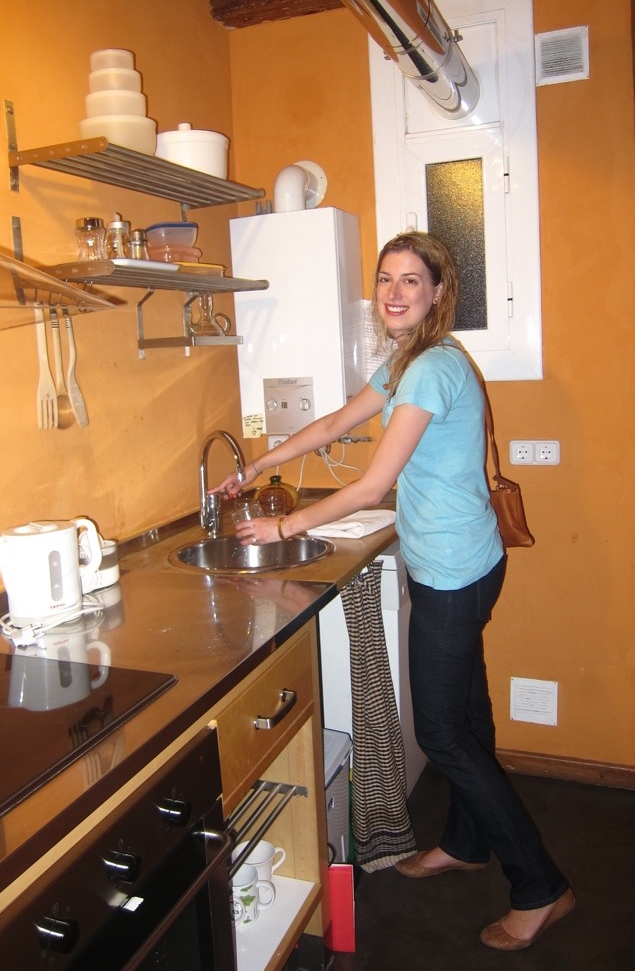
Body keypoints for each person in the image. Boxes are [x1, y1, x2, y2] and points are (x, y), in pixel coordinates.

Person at [211, 231, 574, 950]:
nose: (396, 292)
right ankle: (467, 841)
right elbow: (337, 422)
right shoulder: (403, 361)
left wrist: (289, 524)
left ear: (438, 293)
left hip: (451, 569)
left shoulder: (431, 369)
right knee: (464, 714)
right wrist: (262, 465)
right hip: (459, 559)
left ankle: (540, 885)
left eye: (413, 280)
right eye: (386, 279)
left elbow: (374, 482)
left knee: (442, 730)